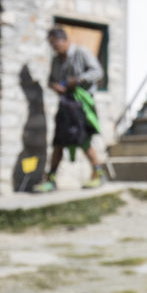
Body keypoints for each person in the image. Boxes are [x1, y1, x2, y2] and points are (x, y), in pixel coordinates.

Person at [34, 27, 107, 191]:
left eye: (56, 44)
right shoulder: (56, 60)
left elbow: (98, 72)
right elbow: (51, 80)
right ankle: (51, 179)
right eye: (52, 45)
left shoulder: (81, 53)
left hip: (81, 105)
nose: (54, 48)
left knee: (82, 139)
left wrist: (78, 80)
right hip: (65, 104)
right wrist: (55, 86)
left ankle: (98, 173)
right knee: (58, 141)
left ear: (64, 40)